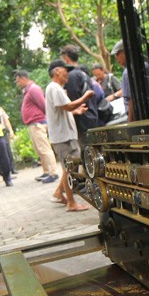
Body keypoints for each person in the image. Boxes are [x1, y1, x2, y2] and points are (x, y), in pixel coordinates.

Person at [45, 59, 94, 212]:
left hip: (63, 136)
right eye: (65, 70)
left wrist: (76, 111)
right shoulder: (55, 88)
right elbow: (68, 105)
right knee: (69, 169)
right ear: (57, 71)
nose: (67, 73)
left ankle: (59, 193)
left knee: (69, 168)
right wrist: (86, 96)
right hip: (64, 137)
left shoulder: (54, 88)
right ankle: (71, 203)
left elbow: (63, 110)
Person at [15, 70, 58, 184]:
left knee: (44, 148)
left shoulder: (34, 89)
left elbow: (44, 105)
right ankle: (46, 171)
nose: (17, 83)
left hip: (38, 123)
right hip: (32, 124)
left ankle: (53, 172)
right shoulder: (28, 91)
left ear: (24, 79)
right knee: (39, 150)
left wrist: (47, 121)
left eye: (18, 81)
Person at [60, 44, 99, 144]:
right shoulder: (83, 73)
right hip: (91, 117)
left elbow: (73, 102)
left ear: (66, 59)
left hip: (82, 122)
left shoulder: (72, 76)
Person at [112, 40, 132, 122]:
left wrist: (130, 121)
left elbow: (131, 100)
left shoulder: (127, 73)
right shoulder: (146, 65)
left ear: (124, 52)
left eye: (117, 54)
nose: (116, 58)